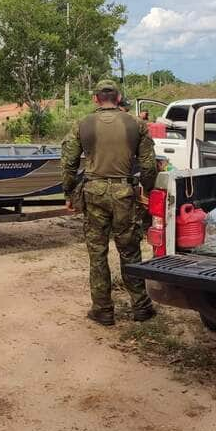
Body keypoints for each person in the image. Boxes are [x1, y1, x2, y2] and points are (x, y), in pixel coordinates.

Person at [61, 80, 159, 325]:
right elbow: (148, 165)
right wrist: (147, 189)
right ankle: (141, 307)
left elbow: (68, 163)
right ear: (118, 98)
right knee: (129, 250)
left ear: (96, 99)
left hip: (93, 193)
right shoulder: (137, 124)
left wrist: (69, 192)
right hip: (124, 193)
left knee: (97, 252)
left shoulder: (82, 124)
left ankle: (103, 310)